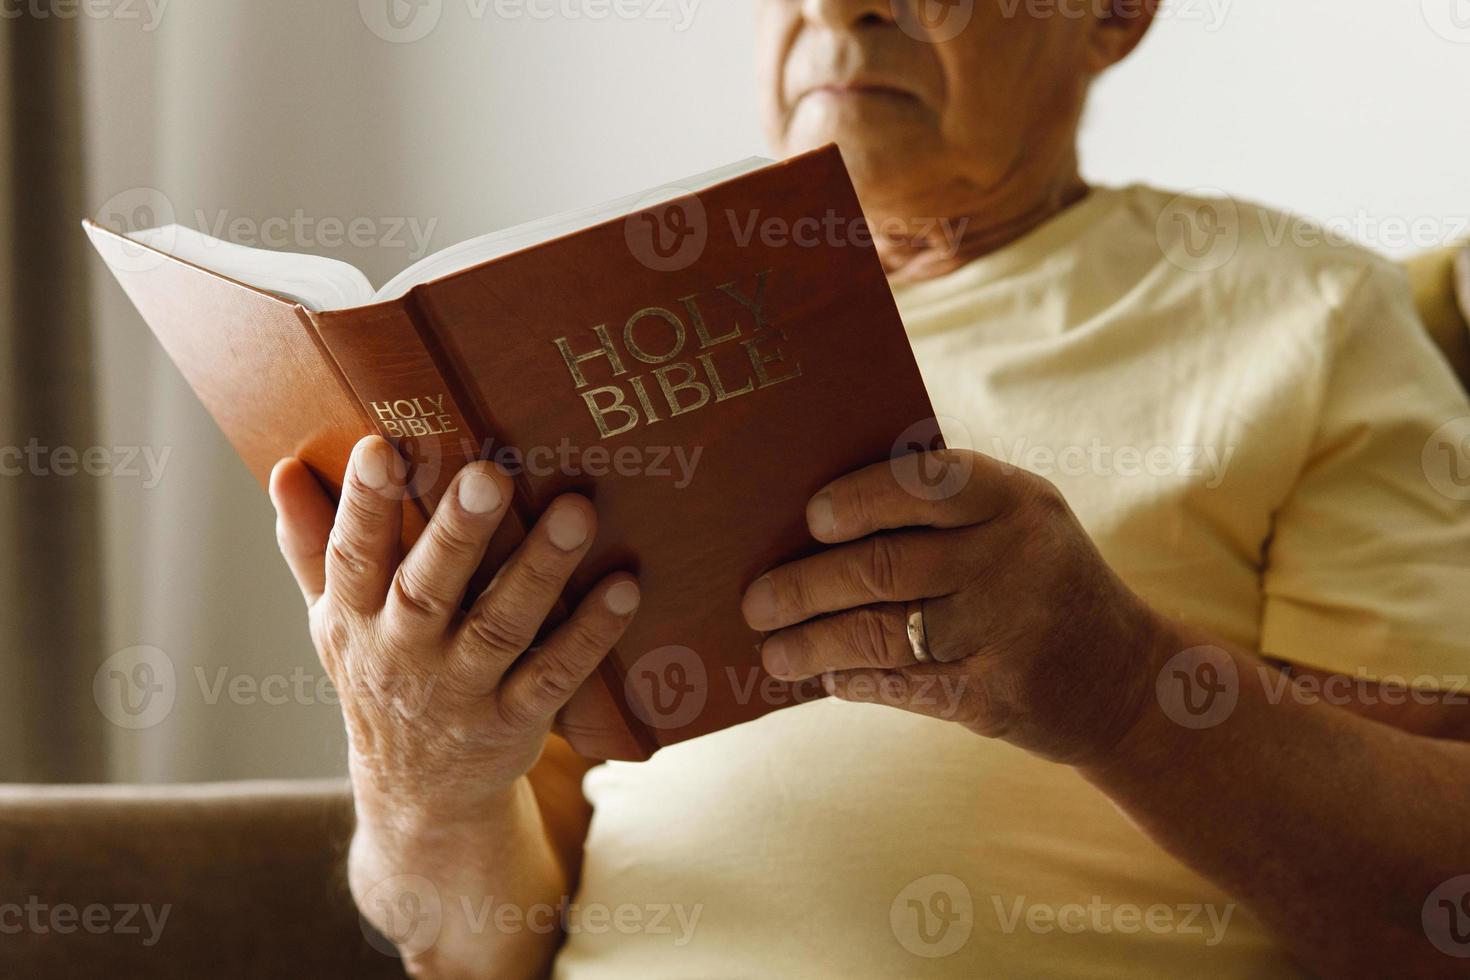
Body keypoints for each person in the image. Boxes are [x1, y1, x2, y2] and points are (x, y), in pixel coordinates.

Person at [267, 1, 1470, 976]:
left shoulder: (1307, 315)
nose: (842, 9)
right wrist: (418, 773)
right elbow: (477, 950)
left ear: (1117, 15)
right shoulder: (592, 349)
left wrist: (1120, 689)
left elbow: (1436, 913)